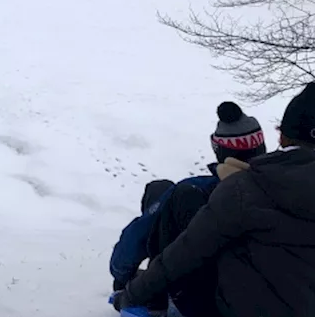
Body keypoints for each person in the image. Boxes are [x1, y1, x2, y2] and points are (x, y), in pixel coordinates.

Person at [112, 82, 315, 317]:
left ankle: (154, 300)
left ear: (282, 136)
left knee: (183, 197)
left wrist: (130, 295)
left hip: (228, 312)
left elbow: (182, 254)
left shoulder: (242, 189)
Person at [109, 102, 268, 295]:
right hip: (270, 288)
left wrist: (121, 273)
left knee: (161, 191)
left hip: (206, 291)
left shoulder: (200, 188)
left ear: (220, 150)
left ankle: (153, 289)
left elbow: (139, 233)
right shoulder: (281, 184)